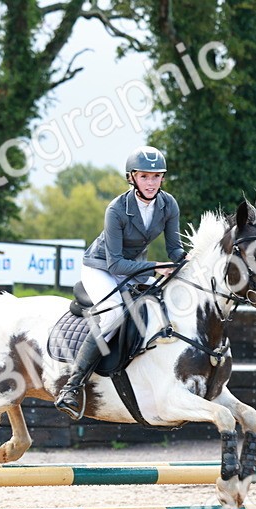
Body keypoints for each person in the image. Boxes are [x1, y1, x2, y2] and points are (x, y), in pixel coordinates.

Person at [54, 145, 187, 420]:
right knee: (114, 314)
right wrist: (155, 266)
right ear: (132, 178)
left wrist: (189, 260)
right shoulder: (116, 209)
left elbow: (174, 249)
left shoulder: (168, 204)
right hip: (101, 267)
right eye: (144, 177)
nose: (151, 183)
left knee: (160, 303)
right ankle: (72, 386)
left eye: (156, 176)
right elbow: (115, 264)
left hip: (136, 267)